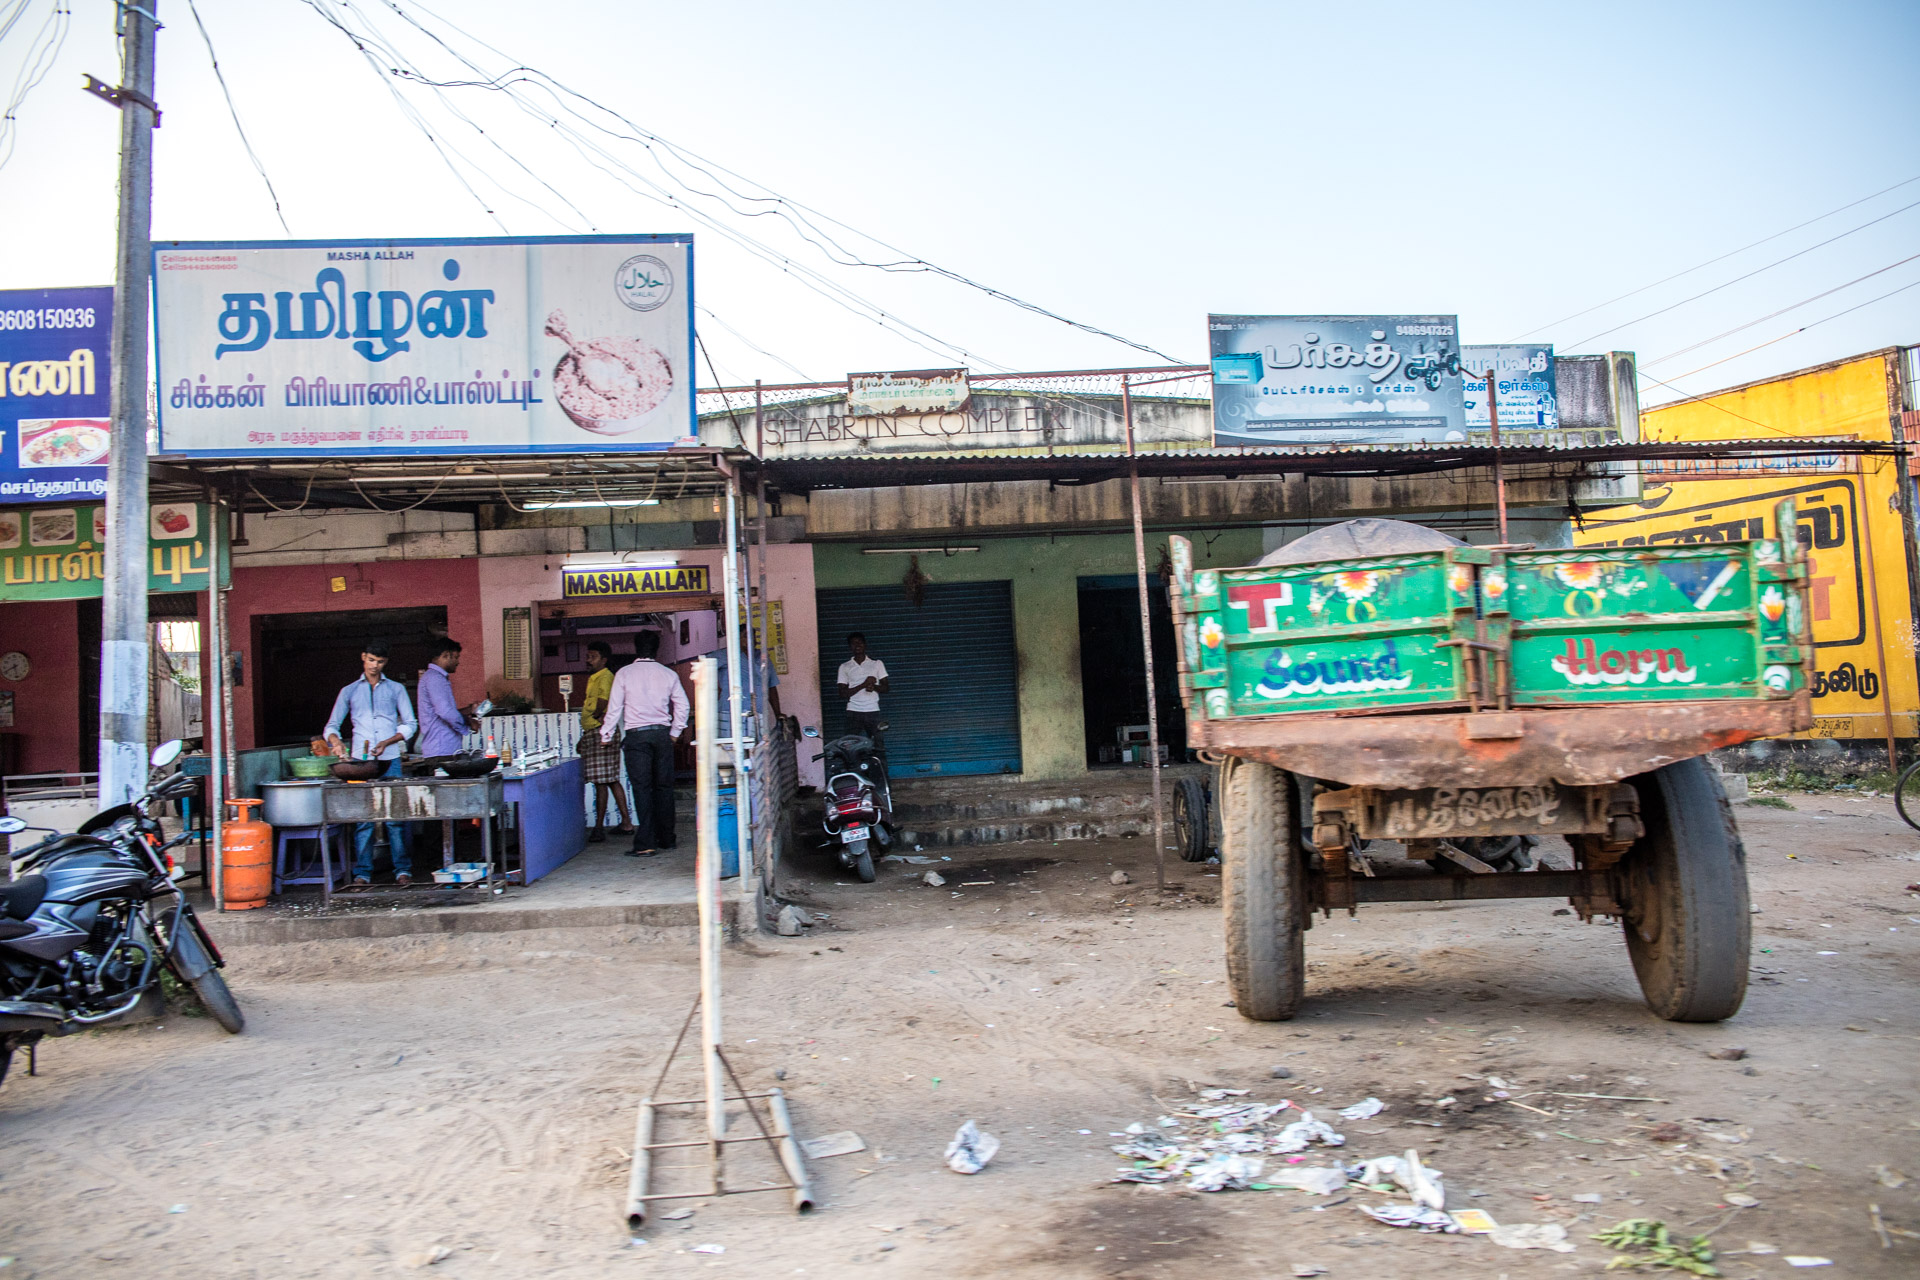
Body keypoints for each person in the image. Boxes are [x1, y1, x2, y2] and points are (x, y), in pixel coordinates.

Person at [324, 640, 419, 886]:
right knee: (364, 819)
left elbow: (410, 724)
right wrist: (336, 742)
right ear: (363, 657)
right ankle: (363, 873)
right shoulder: (349, 691)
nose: (375, 666)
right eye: (371, 660)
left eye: (380, 662)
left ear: (386, 662)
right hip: (360, 762)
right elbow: (331, 726)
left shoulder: (396, 689)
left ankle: (402, 871)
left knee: (394, 818)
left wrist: (388, 741)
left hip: (390, 759)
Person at [599, 629, 689, 857]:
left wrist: (606, 735)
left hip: (637, 737)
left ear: (636, 648)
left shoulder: (624, 674)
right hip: (662, 736)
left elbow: (614, 708)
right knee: (664, 788)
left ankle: (646, 842)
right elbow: (683, 705)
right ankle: (667, 839)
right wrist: (675, 732)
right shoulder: (668, 674)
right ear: (656, 649)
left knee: (642, 789)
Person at [578, 640, 633, 843]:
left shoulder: (606, 676)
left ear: (604, 659)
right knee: (606, 780)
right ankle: (621, 823)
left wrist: (596, 720)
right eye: (587, 656)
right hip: (596, 731)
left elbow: (603, 702)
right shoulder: (595, 677)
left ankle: (602, 827)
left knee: (605, 780)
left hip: (600, 731)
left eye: (593, 657)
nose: (588, 660)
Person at [415, 638, 479, 757]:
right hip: (441, 749)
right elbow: (445, 712)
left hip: (442, 748)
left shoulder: (433, 677)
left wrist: (468, 710)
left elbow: (442, 711)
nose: (458, 662)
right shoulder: (435, 678)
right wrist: (469, 721)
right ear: (446, 655)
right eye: (456, 657)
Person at [835, 631, 888, 746]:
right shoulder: (844, 667)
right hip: (853, 712)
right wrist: (863, 685)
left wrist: (874, 687)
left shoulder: (877, 664)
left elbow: (886, 688)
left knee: (878, 746)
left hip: (873, 711)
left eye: (860, 642)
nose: (857, 645)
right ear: (850, 647)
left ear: (865, 644)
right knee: (849, 746)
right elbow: (842, 693)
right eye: (853, 643)